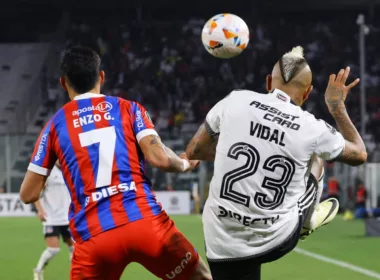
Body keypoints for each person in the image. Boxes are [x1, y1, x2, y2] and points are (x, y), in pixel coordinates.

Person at [20, 46, 211, 280]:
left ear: (63, 83)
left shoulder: (53, 126)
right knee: (200, 277)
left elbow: (28, 194)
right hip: (144, 221)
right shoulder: (128, 108)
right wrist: (186, 164)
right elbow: (160, 159)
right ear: (101, 77)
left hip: (94, 237)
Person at [185, 46, 367, 280]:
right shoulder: (312, 127)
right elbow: (360, 154)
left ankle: (304, 215)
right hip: (275, 238)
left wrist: (232, 150)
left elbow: (194, 150)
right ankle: (307, 218)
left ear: (269, 82)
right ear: (308, 92)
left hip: (221, 239)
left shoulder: (235, 100)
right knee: (315, 155)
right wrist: (337, 108)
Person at [33, 162, 73, 280]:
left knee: (75, 248)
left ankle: (76, 273)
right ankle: (38, 270)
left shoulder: (69, 170)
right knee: (53, 249)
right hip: (51, 217)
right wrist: (40, 211)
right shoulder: (48, 172)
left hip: (67, 217)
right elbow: (36, 192)